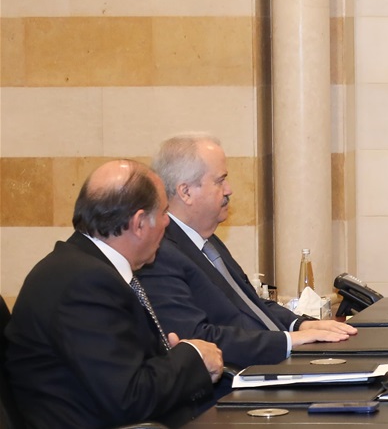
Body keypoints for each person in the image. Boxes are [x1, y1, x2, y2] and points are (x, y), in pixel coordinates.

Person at [4, 160, 222, 427]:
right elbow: (129, 399)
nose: (167, 221)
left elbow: (124, 374)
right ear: (139, 223)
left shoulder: (85, 268)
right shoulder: (84, 283)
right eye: (164, 212)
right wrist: (193, 356)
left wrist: (174, 359)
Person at [137, 133, 355, 369]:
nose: (229, 190)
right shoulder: (159, 256)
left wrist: (301, 325)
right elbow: (197, 339)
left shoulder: (207, 241)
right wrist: (288, 341)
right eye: (220, 181)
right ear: (185, 192)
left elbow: (250, 303)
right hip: (241, 378)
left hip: (274, 362)